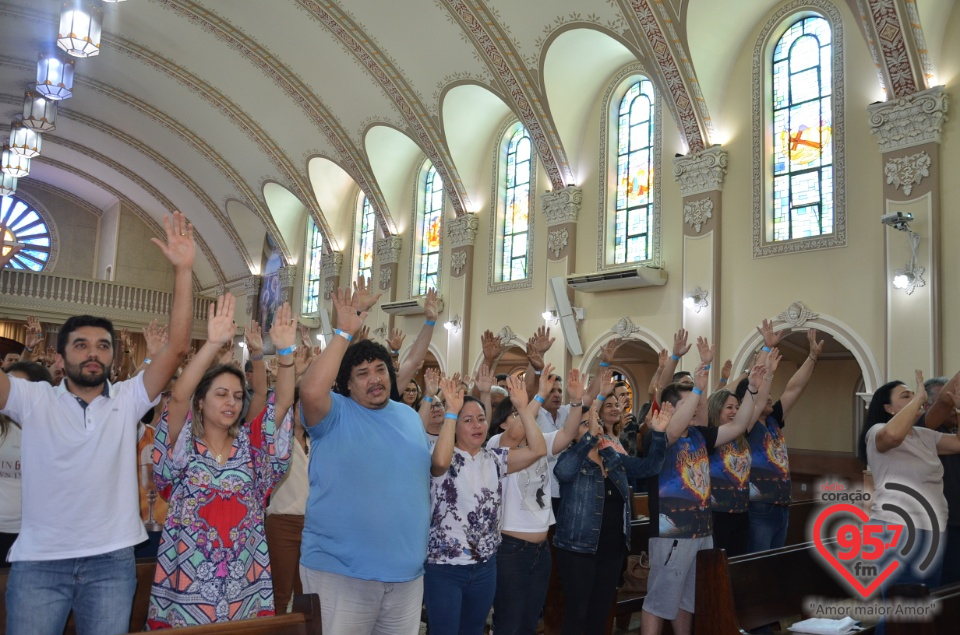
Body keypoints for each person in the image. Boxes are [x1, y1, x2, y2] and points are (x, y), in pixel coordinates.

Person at [0, 211, 195, 635]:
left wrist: (183, 270)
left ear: (112, 355)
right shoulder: (33, 399)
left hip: (110, 561)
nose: (93, 353)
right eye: (82, 345)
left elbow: (178, 347)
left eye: (103, 346)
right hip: (40, 562)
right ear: (61, 353)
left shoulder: (127, 399)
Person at [146, 295, 296, 628]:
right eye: (221, 394)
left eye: (238, 396)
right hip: (187, 580)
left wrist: (286, 355)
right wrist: (212, 345)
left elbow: (282, 404)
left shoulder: (251, 449)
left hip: (243, 579)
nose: (231, 402)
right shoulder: (183, 447)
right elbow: (180, 395)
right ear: (201, 402)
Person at [298, 285, 431, 635]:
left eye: (380, 369)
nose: (374, 379)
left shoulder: (408, 416)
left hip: (406, 577)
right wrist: (344, 332)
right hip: (341, 574)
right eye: (362, 373)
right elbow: (311, 390)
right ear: (347, 385)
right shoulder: (335, 414)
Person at [641, 357, 776, 635]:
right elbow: (674, 427)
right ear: (668, 409)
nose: (695, 408)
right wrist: (699, 391)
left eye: (695, 403)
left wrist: (751, 389)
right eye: (687, 403)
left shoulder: (700, 436)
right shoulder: (659, 437)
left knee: (687, 599)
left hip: (702, 531)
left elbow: (738, 426)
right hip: (672, 533)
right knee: (659, 600)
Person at [425, 375, 547, 635]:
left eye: (481, 419)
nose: (476, 425)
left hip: (484, 568)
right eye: (467, 420)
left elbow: (537, 449)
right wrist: (451, 412)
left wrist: (524, 409)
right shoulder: (441, 453)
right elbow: (440, 463)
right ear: (455, 426)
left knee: (473, 630)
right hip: (445, 567)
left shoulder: (494, 458)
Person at [552, 370, 671, 635]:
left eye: (593, 423)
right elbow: (562, 473)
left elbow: (649, 468)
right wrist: (588, 440)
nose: (591, 428)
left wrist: (660, 434)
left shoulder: (611, 457)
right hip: (578, 551)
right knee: (577, 614)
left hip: (612, 549)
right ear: (573, 433)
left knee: (600, 614)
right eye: (585, 424)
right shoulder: (571, 457)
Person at [485, 367, 580, 635]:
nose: (526, 416)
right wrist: (535, 399)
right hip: (511, 550)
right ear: (503, 421)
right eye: (517, 412)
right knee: (509, 623)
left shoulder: (538, 441)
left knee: (529, 624)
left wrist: (576, 402)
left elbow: (568, 433)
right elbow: (516, 435)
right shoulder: (496, 445)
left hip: (541, 550)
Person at [859, 372, 960, 593]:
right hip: (897, 529)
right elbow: (893, 436)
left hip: (933, 529)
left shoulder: (925, 436)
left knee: (925, 605)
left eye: (913, 394)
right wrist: (919, 400)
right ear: (888, 408)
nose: (915, 398)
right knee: (901, 611)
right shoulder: (876, 432)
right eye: (906, 396)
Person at [737, 322, 822, 552]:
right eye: (764, 393)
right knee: (758, 563)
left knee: (772, 563)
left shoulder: (774, 419)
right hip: (759, 505)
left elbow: (794, 388)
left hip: (782, 503)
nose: (769, 396)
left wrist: (812, 357)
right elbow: (757, 385)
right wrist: (766, 356)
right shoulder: (748, 425)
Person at [0, 362, 53, 564]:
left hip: (34, 532)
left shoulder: (51, 428)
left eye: (19, 386)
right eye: (8, 382)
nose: (11, 391)